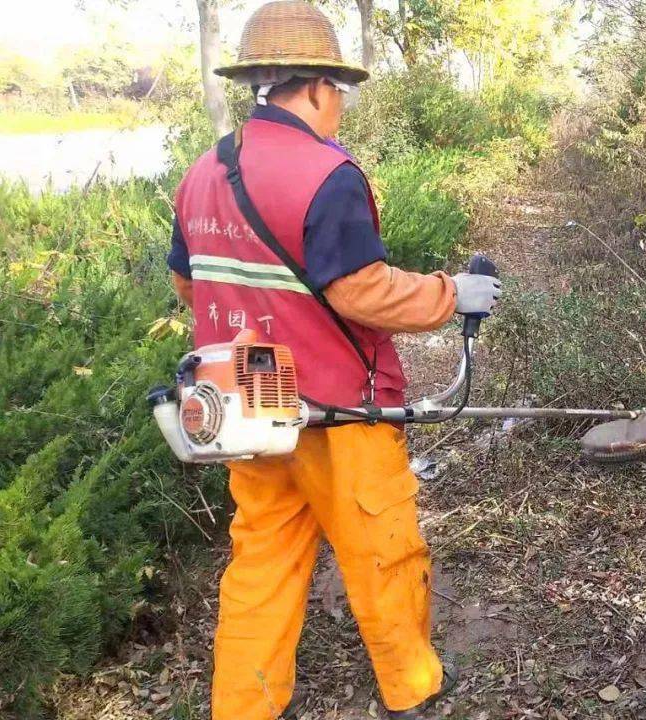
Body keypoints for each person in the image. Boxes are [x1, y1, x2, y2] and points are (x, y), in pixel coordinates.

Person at [165, 2, 501, 718]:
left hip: (248, 407)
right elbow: (360, 292)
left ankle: (244, 707)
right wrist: (453, 292)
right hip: (339, 411)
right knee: (384, 553)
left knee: (262, 560)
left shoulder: (203, 172)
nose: (340, 106)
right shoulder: (328, 173)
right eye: (339, 91)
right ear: (317, 86)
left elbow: (188, 282)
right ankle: (411, 693)